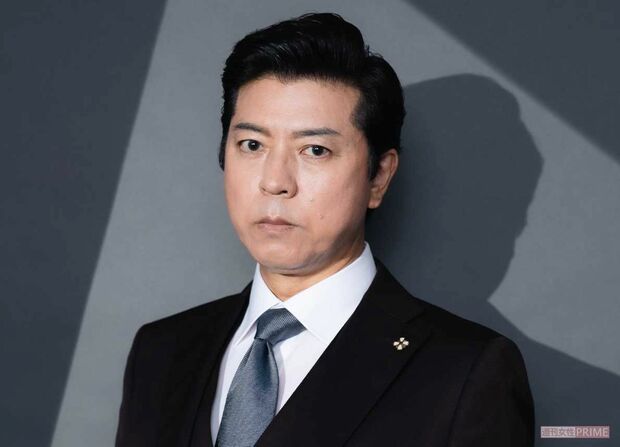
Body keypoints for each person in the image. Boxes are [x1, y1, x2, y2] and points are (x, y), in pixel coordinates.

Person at [115, 12, 534, 447]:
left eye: (315, 150)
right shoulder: (161, 351)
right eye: (252, 145)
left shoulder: (466, 373)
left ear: (379, 176)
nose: (275, 181)